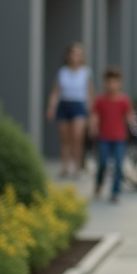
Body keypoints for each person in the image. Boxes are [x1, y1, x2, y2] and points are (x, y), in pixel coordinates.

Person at [45, 42, 92, 177]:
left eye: (77, 54)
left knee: (77, 137)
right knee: (65, 139)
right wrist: (51, 108)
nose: (74, 57)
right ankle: (65, 167)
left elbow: (89, 93)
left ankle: (78, 168)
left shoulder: (86, 72)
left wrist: (91, 113)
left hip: (79, 105)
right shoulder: (63, 72)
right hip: (64, 105)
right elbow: (56, 92)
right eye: (72, 53)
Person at [89, 66, 135, 203]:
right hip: (104, 138)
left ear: (120, 83)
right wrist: (92, 128)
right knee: (102, 163)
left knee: (119, 164)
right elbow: (95, 116)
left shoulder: (124, 100)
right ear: (105, 83)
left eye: (115, 82)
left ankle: (116, 191)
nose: (112, 85)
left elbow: (129, 116)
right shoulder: (100, 100)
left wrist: (134, 127)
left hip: (119, 138)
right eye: (109, 82)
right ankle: (99, 183)